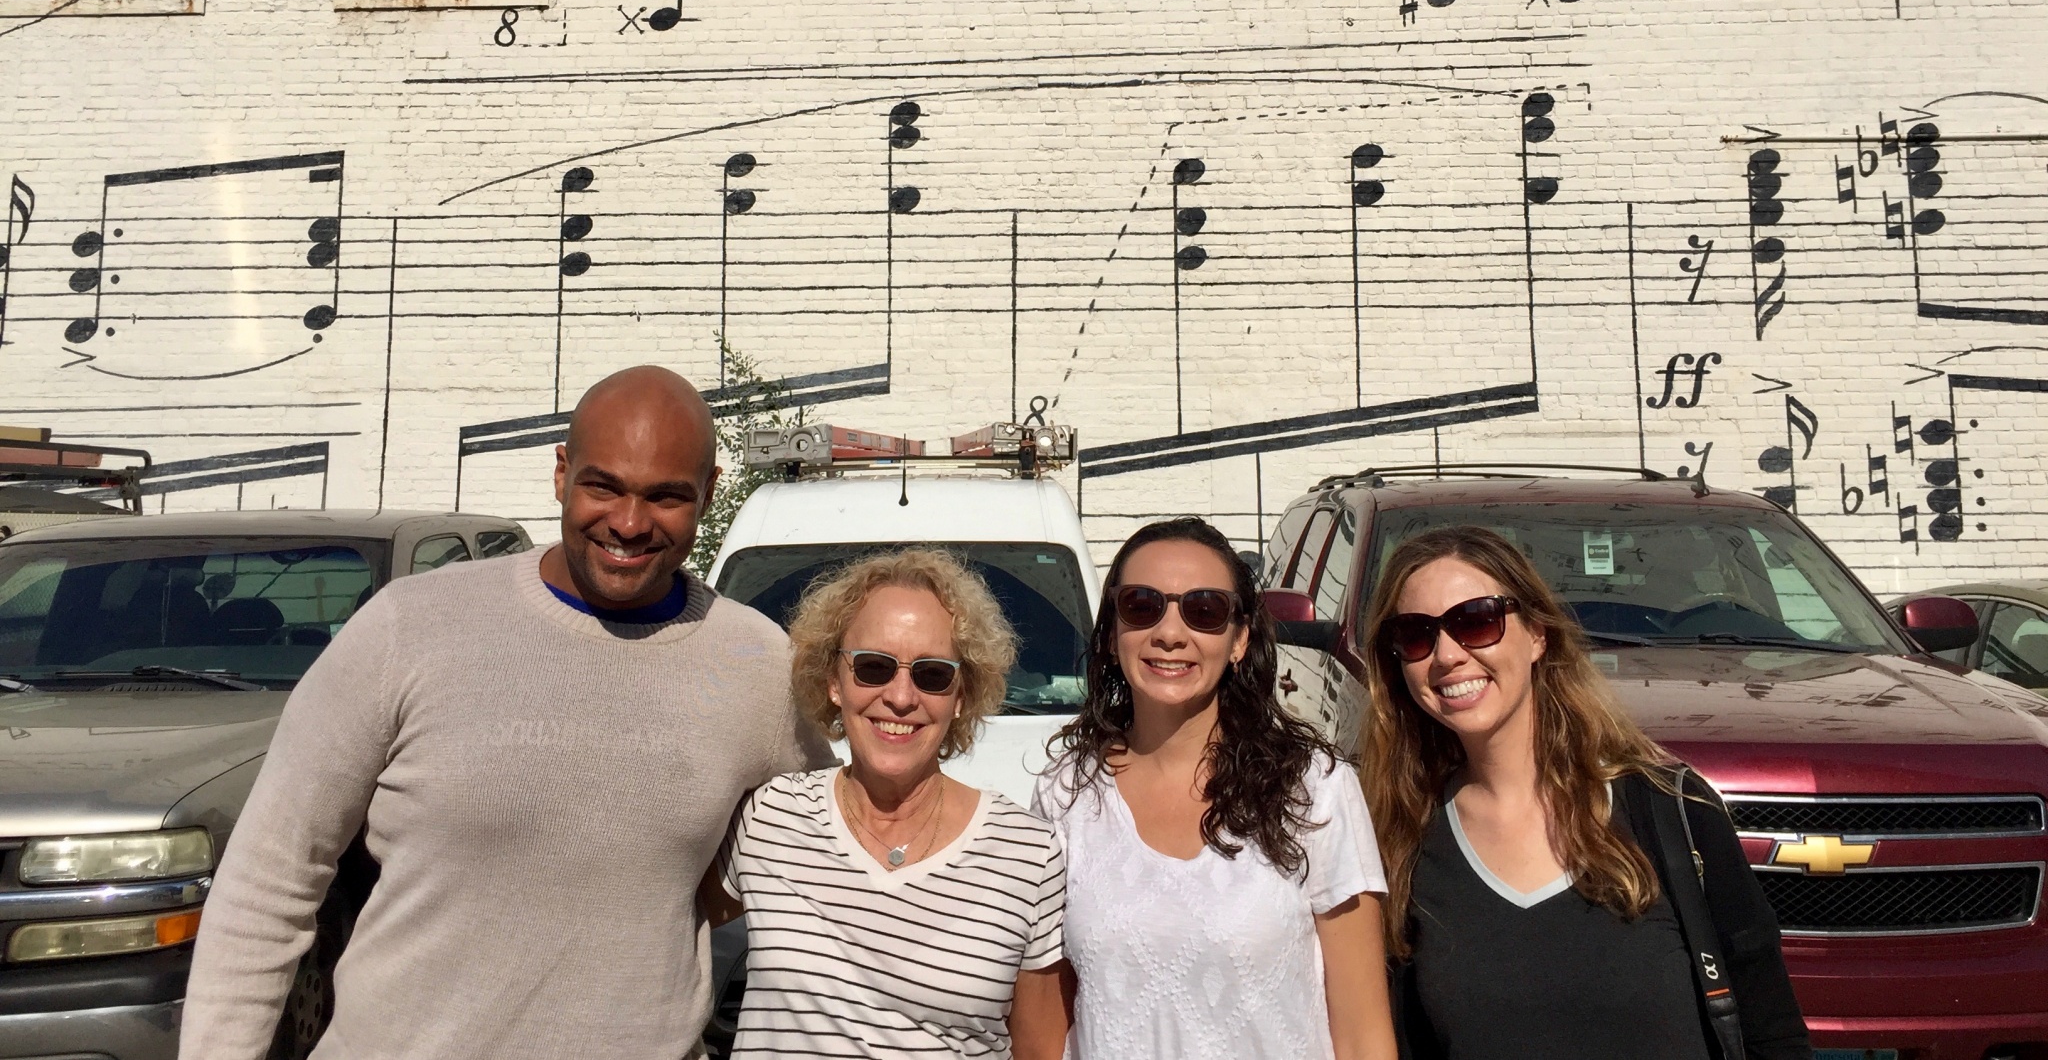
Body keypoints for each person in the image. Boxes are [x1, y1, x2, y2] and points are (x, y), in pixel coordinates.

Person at [180, 365, 829, 1060]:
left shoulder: (753, 660)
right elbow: (266, 881)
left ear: (709, 491)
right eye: (603, 484)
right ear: (560, 472)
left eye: (665, 496)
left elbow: (831, 851)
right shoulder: (410, 625)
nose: (630, 522)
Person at [1358, 525, 1810, 1060]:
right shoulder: (1398, 840)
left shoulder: (1671, 809)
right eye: (1416, 634)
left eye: (1476, 621)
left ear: (1538, 635)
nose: (1447, 655)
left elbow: (1772, 1031)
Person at [1032, 516, 1397, 1060]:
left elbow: (1365, 1032)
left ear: (1240, 638)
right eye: (1141, 605)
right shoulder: (1065, 795)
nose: (1170, 633)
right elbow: (1045, 1021)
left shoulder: (1315, 789)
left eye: (1204, 611)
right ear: (1111, 632)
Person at [706, 548, 1067, 1058]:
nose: (900, 697)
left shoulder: (1028, 853)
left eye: (933, 674)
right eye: (873, 667)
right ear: (834, 681)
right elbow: (658, 922)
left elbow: (1041, 1049)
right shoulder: (769, 816)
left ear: (962, 693)